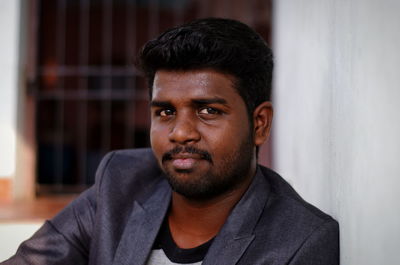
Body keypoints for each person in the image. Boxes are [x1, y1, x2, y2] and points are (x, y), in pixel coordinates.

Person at [2, 18, 339, 265]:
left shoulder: (301, 242)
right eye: (164, 112)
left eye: (208, 110)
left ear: (259, 124)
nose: (180, 132)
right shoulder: (121, 182)